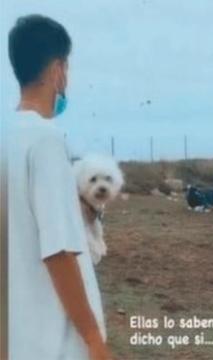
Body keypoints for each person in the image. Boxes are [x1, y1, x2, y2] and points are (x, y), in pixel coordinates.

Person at [7, 14, 111, 359]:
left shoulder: (7, 139)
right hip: (53, 345)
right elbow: (58, 252)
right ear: (56, 70)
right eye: (66, 69)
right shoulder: (46, 142)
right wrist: (94, 338)